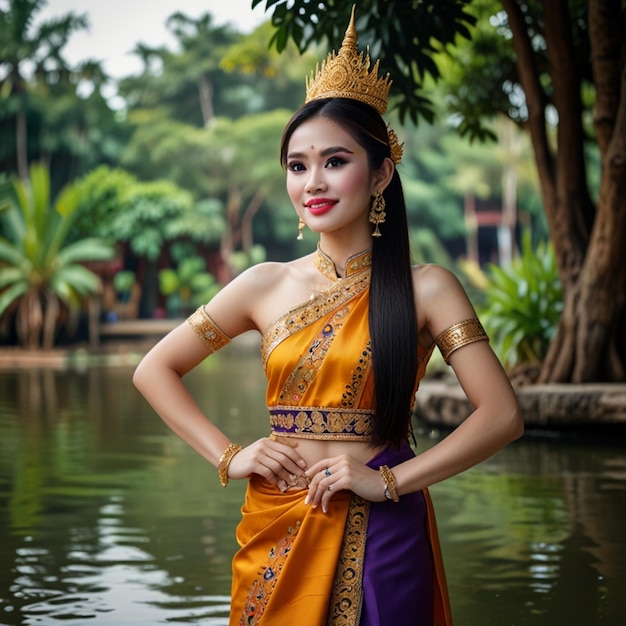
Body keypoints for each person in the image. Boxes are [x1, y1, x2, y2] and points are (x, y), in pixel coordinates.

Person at [133, 7, 523, 625]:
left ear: (381, 173)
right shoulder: (263, 285)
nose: (313, 181)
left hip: (384, 534)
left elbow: (501, 416)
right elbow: (153, 369)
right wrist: (230, 455)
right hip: (276, 521)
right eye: (297, 165)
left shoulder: (428, 289)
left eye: (335, 161)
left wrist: (389, 481)